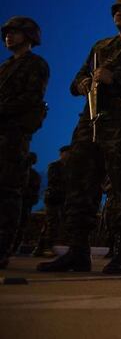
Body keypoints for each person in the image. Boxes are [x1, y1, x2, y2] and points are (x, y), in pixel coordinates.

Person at [38, 0, 121, 274]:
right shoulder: (101, 47)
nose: (118, 14)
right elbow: (75, 81)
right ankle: (78, 251)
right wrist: (84, 83)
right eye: (116, 10)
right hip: (92, 120)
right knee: (80, 186)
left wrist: (115, 78)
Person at [0, 16, 50, 269]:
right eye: (7, 33)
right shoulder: (5, 67)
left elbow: (30, 99)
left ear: (29, 36)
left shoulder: (35, 64)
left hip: (13, 135)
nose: (9, 36)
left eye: (15, 32)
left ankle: (2, 248)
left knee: (8, 193)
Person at [33, 146, 70, 257]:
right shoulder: (54, 166)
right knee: (52, 223)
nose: (69, 155)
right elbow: (54, 180)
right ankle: (47, 247)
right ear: (61, 154)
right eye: (67, 153)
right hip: (53, 198)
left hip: (62, 199)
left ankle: (40, 248)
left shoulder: (69, 168)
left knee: (52, 224)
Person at [12, 152, 41, 253]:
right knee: (16, 226)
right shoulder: (17, 172)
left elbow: (35, 191)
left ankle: (13, 248)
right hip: (18, 203)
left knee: (19, 227)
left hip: (24, 203)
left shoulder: (33, 175)